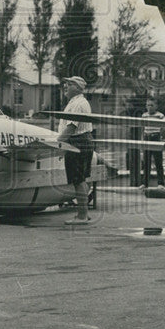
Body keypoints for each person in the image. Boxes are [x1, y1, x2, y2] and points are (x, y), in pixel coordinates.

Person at [57, 76, 94, 224]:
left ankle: (82, 216)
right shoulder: (76, 102)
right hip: (82, 141)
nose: (66, 86)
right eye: (66, 83)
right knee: (81, 179)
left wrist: (57, 143)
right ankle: (83, 212)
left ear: (78, 88)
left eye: (70, 84)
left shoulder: (78, 104)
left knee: (78, 180)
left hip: (78, 142)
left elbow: (71, 127)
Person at [140, 97, 165, 189]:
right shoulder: (144, 115)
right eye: (148, 105)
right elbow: (142, 127)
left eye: (152, 105)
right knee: (146, 163)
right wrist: (143, 138)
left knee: (158, 162)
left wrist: (159, 134)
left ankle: (161, 183)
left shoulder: (160, 115)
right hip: (147, 138)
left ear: (156, 106)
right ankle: (145, 183)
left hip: (156, 138)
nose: (149, 107)